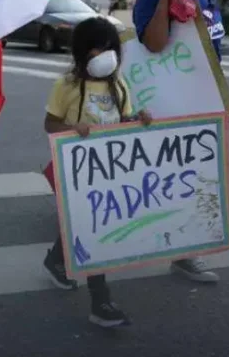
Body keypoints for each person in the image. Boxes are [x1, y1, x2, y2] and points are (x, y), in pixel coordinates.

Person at [41, 16, 152, 328]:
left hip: (109, 170)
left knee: (83, 223)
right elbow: (49, 124)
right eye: (96, 49)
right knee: (92, 227)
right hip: (74, 170)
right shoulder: (67, 86)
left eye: (110, 47)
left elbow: (124, 121)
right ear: (81, 52)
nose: (104, 54)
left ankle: (55, 260)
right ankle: (100, 301)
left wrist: (139, 119)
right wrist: (71, 129)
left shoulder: (119, 85)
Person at [130, 0, 223, 283]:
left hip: (200, 105)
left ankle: (184, 254)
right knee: (140, 184)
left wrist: (221, 103)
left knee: (191, 182)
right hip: (164, 104)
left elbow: (213, 55)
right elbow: (153, 45)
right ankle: (69, 251)